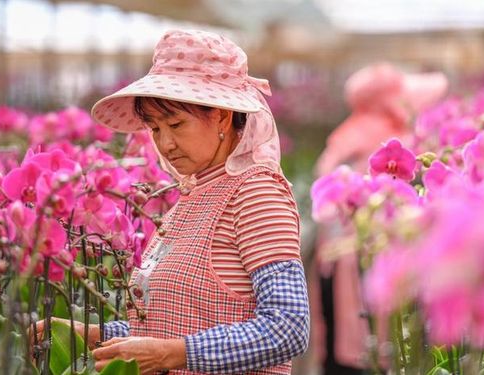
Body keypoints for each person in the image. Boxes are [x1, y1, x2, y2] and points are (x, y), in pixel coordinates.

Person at [35, 29, 310, 374]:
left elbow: (288, 328)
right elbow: (174, 326)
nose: (165, 143)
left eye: (176, 124)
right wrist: (94, 335)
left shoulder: (256, 195)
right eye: (155, 128)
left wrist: (172, 355)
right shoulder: (195, 193)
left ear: (222, 115)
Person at [309, 62, 447, 374]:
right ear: (390, 103)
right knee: (376, 350)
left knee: (339, 349)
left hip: (334, 260)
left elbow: (325, 199)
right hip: (371, 263)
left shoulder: (344, 135)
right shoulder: (397, 138)